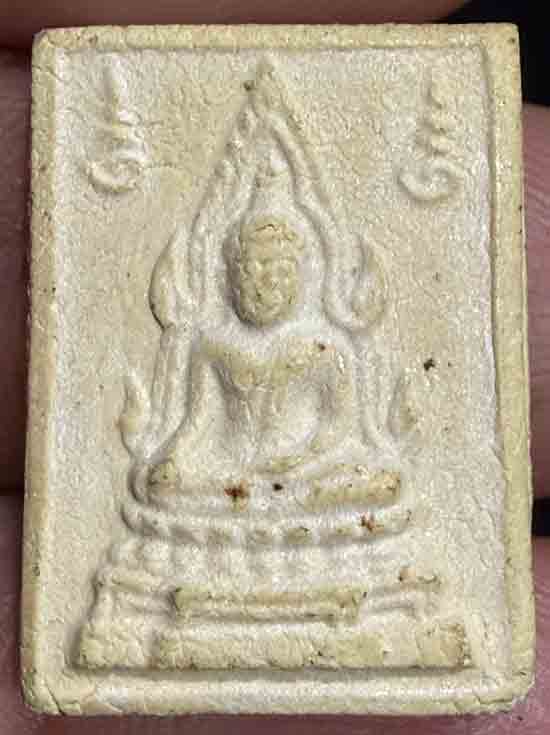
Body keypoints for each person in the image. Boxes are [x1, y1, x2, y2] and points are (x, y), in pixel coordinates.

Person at [1, 1, 549, 732]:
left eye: (277, 270)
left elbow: (351, 442)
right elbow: (190, 436)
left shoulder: (327, 348)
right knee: (159, 485)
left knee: (378, 486)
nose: (264, 283)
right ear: (225, 273)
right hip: (225, 503)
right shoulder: (208, 345)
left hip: (311, 496)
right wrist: (185, 467)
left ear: (306, 273)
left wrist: (298, 467)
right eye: (251, 270)